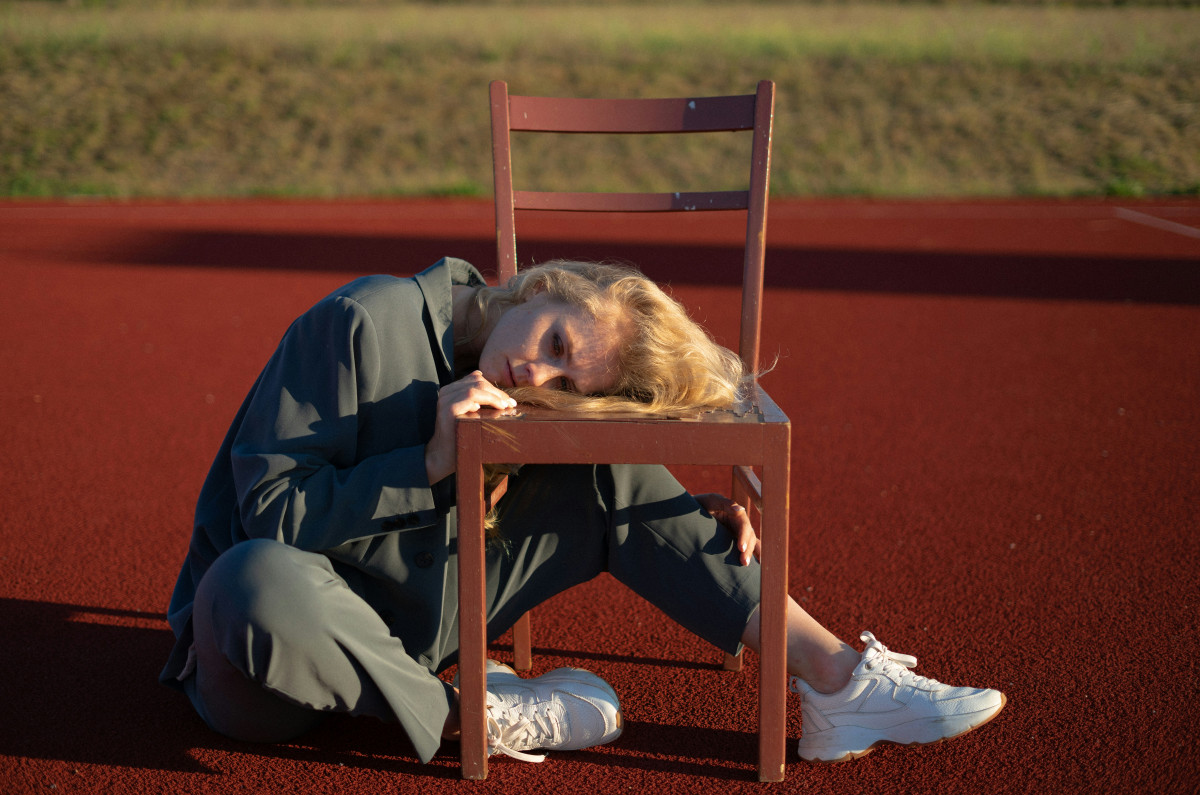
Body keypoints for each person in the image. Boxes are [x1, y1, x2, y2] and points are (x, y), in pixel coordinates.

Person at [160, 256, 1005, 767]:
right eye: (557, 345)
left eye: (570, 386)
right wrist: (425, 461)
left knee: (609, 481)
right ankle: (474, 718)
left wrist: (680, 511)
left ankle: (836, 684)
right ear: (540, 288)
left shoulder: (521, 392)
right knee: (249, 579)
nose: (539, 378)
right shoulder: (359, 324)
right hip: (261, 670)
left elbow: (542, 493)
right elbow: (268, 512)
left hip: (419, 620)